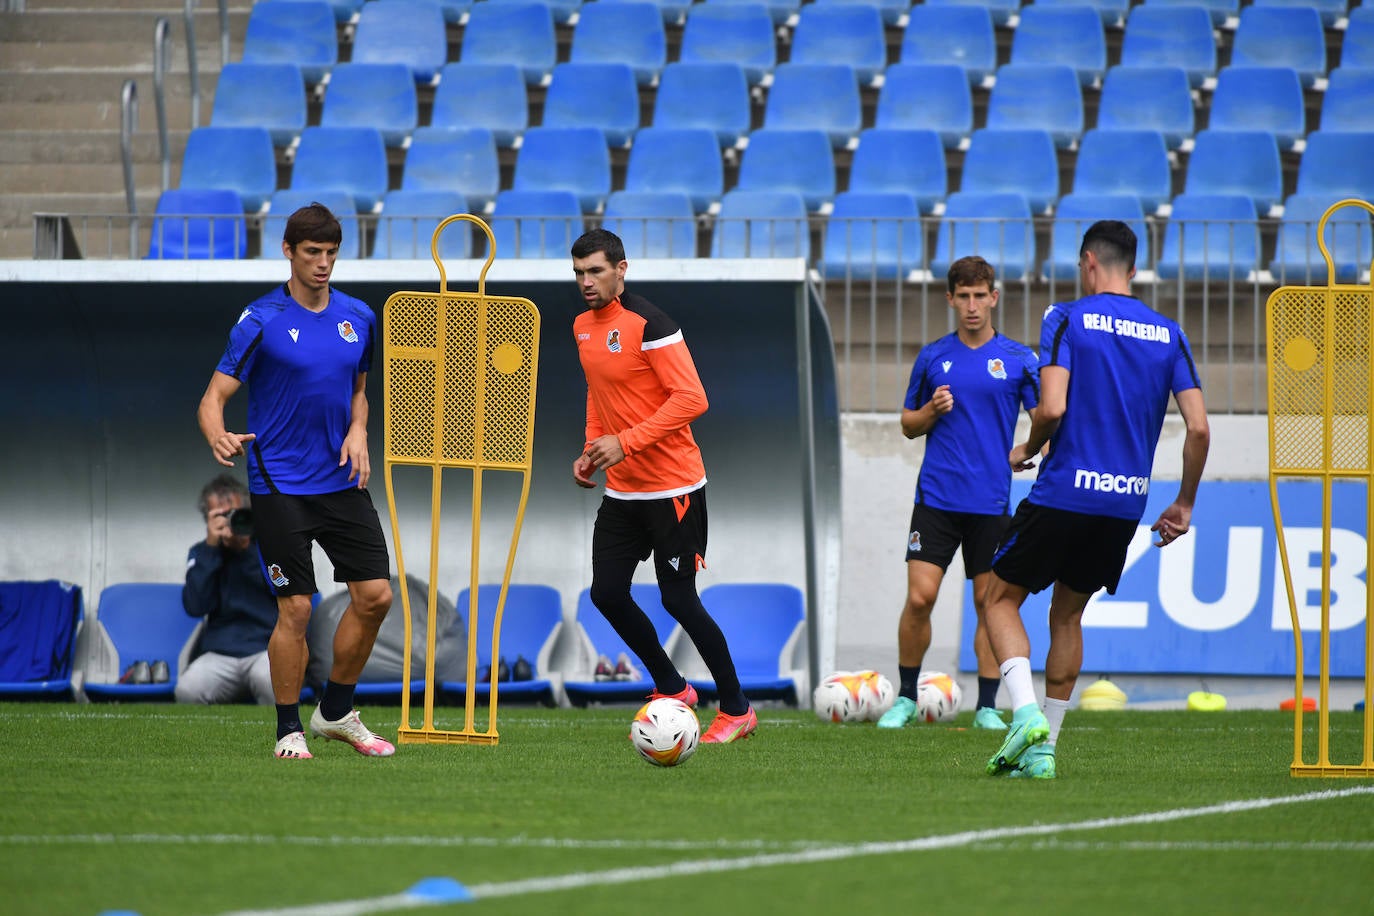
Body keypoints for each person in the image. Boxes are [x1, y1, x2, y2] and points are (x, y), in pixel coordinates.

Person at [982, 220, 1210, 779]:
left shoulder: (1066, 317)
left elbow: (1052, 408)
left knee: (997, 598)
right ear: (1132, 269)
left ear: (1088, 262)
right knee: (1068, 616)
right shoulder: (1169, 332)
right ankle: (1043, 753)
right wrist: (1183, 504)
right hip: (1123, 505)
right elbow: (1200, 429)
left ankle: (1026, 713)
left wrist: (1027, 449)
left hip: (1064, 491)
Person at [197, 201, 395, 761]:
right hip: (278, 482)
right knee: (298, 608)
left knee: (375, 596)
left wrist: (359, 432)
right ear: (288, 251)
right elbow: (213, 399)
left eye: (332, 253)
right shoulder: (260, 319)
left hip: (341, 480)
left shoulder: (360, 316)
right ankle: (288, 729)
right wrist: (218, 435)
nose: (324, 263)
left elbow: (359, 391)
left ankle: (335, 712)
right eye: (313, 253)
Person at [569, 228, 757, 744]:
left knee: (679, 600)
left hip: (674, 487)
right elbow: (598, 391)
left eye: (597, 271)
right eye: (580, 273)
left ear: (621, 269)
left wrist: (624, 443)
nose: (587, 282)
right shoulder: (583, 326)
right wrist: (592, 448)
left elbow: (692, 399)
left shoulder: (652, 324)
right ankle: (672, 685)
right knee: (607, 592)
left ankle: (737, 709)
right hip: (622, 491)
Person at [877, 256, 1040, 731]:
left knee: (990, 606)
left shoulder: (1017, 358)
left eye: (979, 295)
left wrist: (1030, 447)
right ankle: (906, 697)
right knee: (921, 598)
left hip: (990, 503)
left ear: (994, 296)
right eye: (962, 296)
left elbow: (1047, 414)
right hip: (936, 500)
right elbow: (909, 424)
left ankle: (988, 706)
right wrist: (931, 409)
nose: (972, 305)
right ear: (950, 299)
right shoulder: (933, 357)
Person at [176, 474, 278, 705]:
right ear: (208, 519)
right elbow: (195, 606)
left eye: (235, 513)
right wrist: (212, 550)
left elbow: (281, 590)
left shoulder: (269, 546)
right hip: (220, 652)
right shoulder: (202, 553)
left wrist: (245, 549)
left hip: (266, 648)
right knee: (187, 689)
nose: (230, 521)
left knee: (272, 682)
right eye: (221, 516)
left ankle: (281, 737)